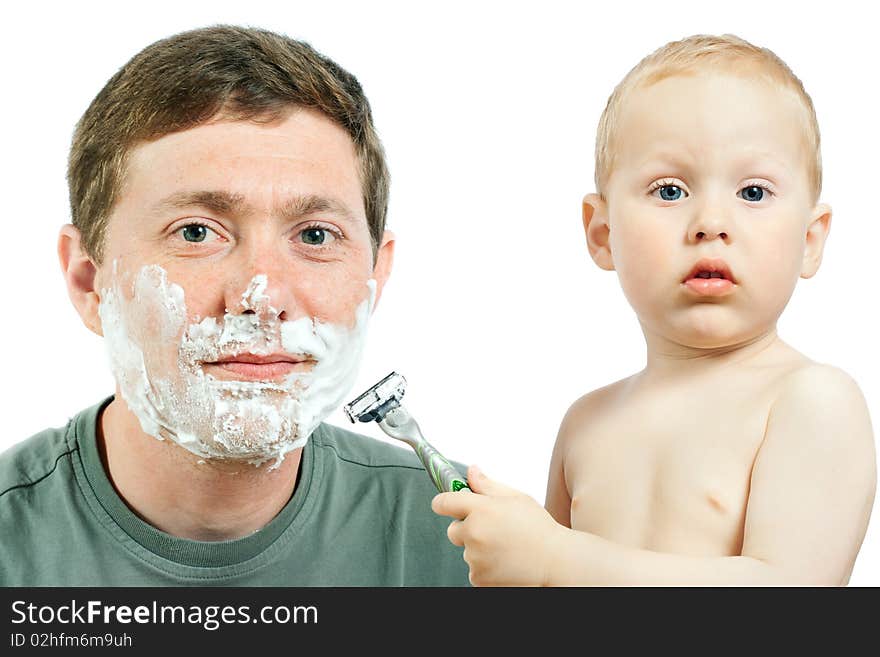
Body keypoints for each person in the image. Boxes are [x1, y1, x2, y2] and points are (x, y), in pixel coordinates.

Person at [0, 25, 469, 586]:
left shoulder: (465, 543)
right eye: (197, 232)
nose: (262, 297)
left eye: (315, 236)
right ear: (87, 281)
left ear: (375, 276)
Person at [432, 34, 876, 586]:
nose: (711, 221)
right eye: (669, 191)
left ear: (810, 240)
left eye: (754, 193)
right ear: (603, 233)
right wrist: (516, 553)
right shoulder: (585, 425)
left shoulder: (811, 402)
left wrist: (552, 559)